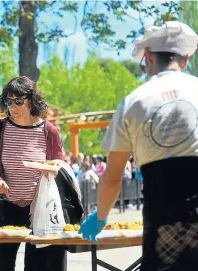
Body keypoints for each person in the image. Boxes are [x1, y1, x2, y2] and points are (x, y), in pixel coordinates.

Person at [79, 21, 198, 271]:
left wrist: (100, 217)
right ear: (185, 59)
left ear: (149, 57)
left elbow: (112, 178)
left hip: (164, 230)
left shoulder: (133, 102)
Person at [0, 76, 67, 271]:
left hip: (40, 211)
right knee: (3, 265)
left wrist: (52, 166)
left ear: (32, 100)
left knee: (37, 265)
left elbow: (60, 167)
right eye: (9, 101)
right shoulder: (0, 128)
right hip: (7, 208)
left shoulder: (49, 131)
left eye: (18, 101)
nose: (13, 106)